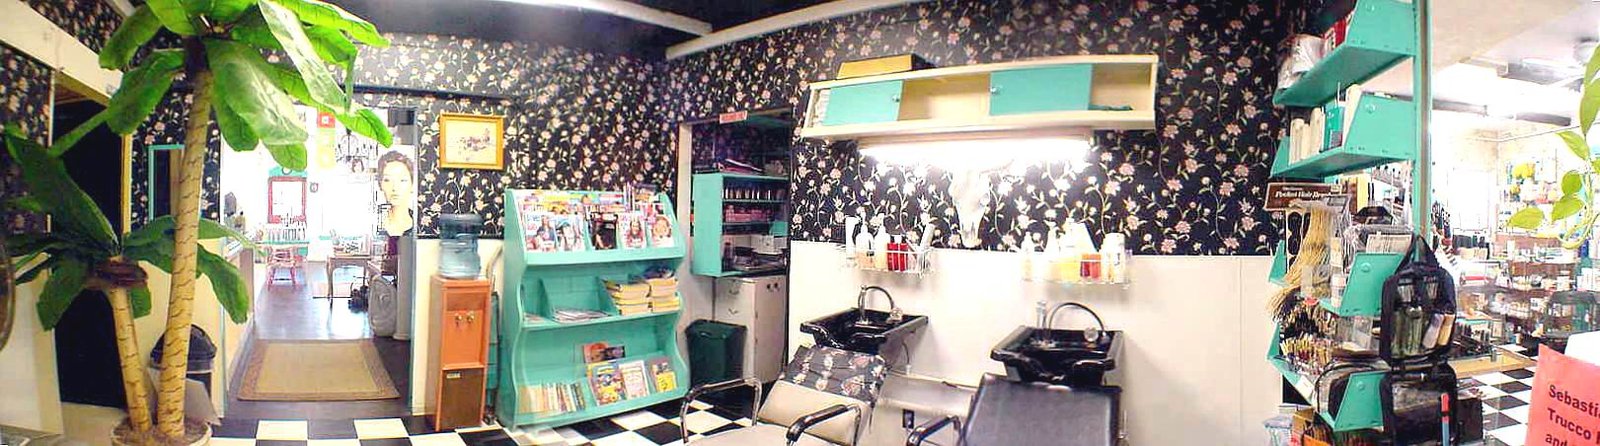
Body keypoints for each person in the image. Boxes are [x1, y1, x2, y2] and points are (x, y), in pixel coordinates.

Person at [376, 151, 415, 236]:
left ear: (412, 185)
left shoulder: (421, 225)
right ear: (380, 184)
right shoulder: (372, 220)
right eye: (387, 180)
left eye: (402, 180)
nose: (394, 187)